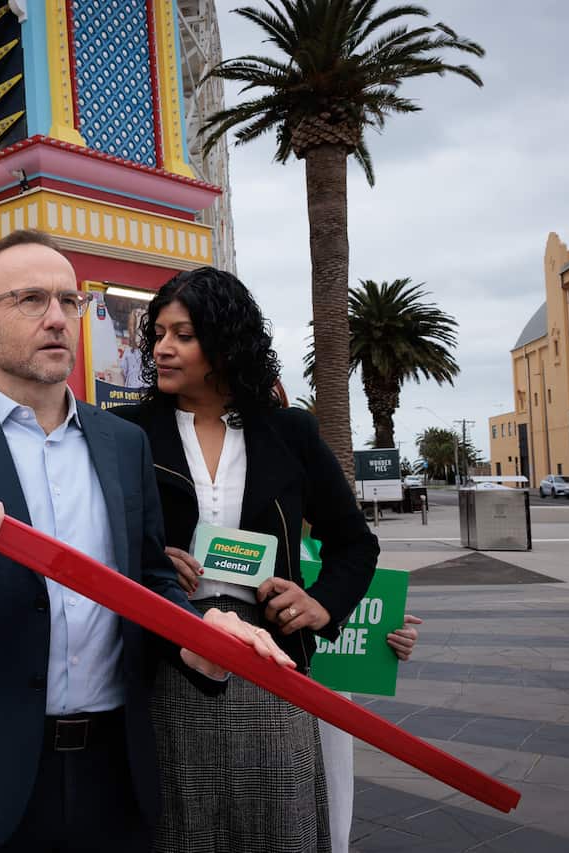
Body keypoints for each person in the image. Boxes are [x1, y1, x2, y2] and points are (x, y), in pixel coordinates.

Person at [0, 230, 293, 853]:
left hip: (110, 776)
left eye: (70, 302)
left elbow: (149, 581)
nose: (58, 319)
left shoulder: (122, 443)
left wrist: (198, 637)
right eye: (30, 300)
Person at [113, 266, 380, 853]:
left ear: (224, 340)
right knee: (181, 829)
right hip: (170, 655)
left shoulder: (291, 432)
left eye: (182, 334)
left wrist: (321, 603)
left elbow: (355, 544)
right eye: (157, 333)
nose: (161, 348)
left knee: (278, 828)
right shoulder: (124, 432)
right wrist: (149, 561)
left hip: (274, 662)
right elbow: (98, 538)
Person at [320, 614, 422, 853]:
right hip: (256, 691)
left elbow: (353, 594)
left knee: (330, 806)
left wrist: (387, 627)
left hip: (328, 697)